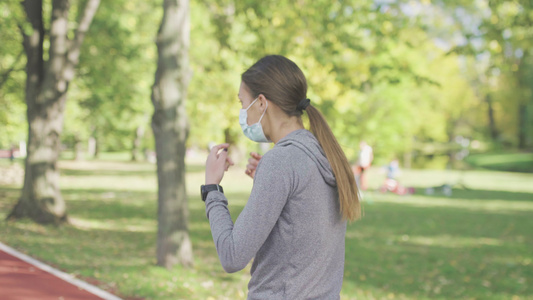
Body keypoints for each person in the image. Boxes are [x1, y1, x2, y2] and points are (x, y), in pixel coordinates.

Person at [203, 55, 362, 299]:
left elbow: (232, 256)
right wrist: (268, 183)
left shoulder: (281, 161)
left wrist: (212, 188)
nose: (241, 112)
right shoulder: (324, 153)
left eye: (242, 102)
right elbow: (302, 223)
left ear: (261, 102)